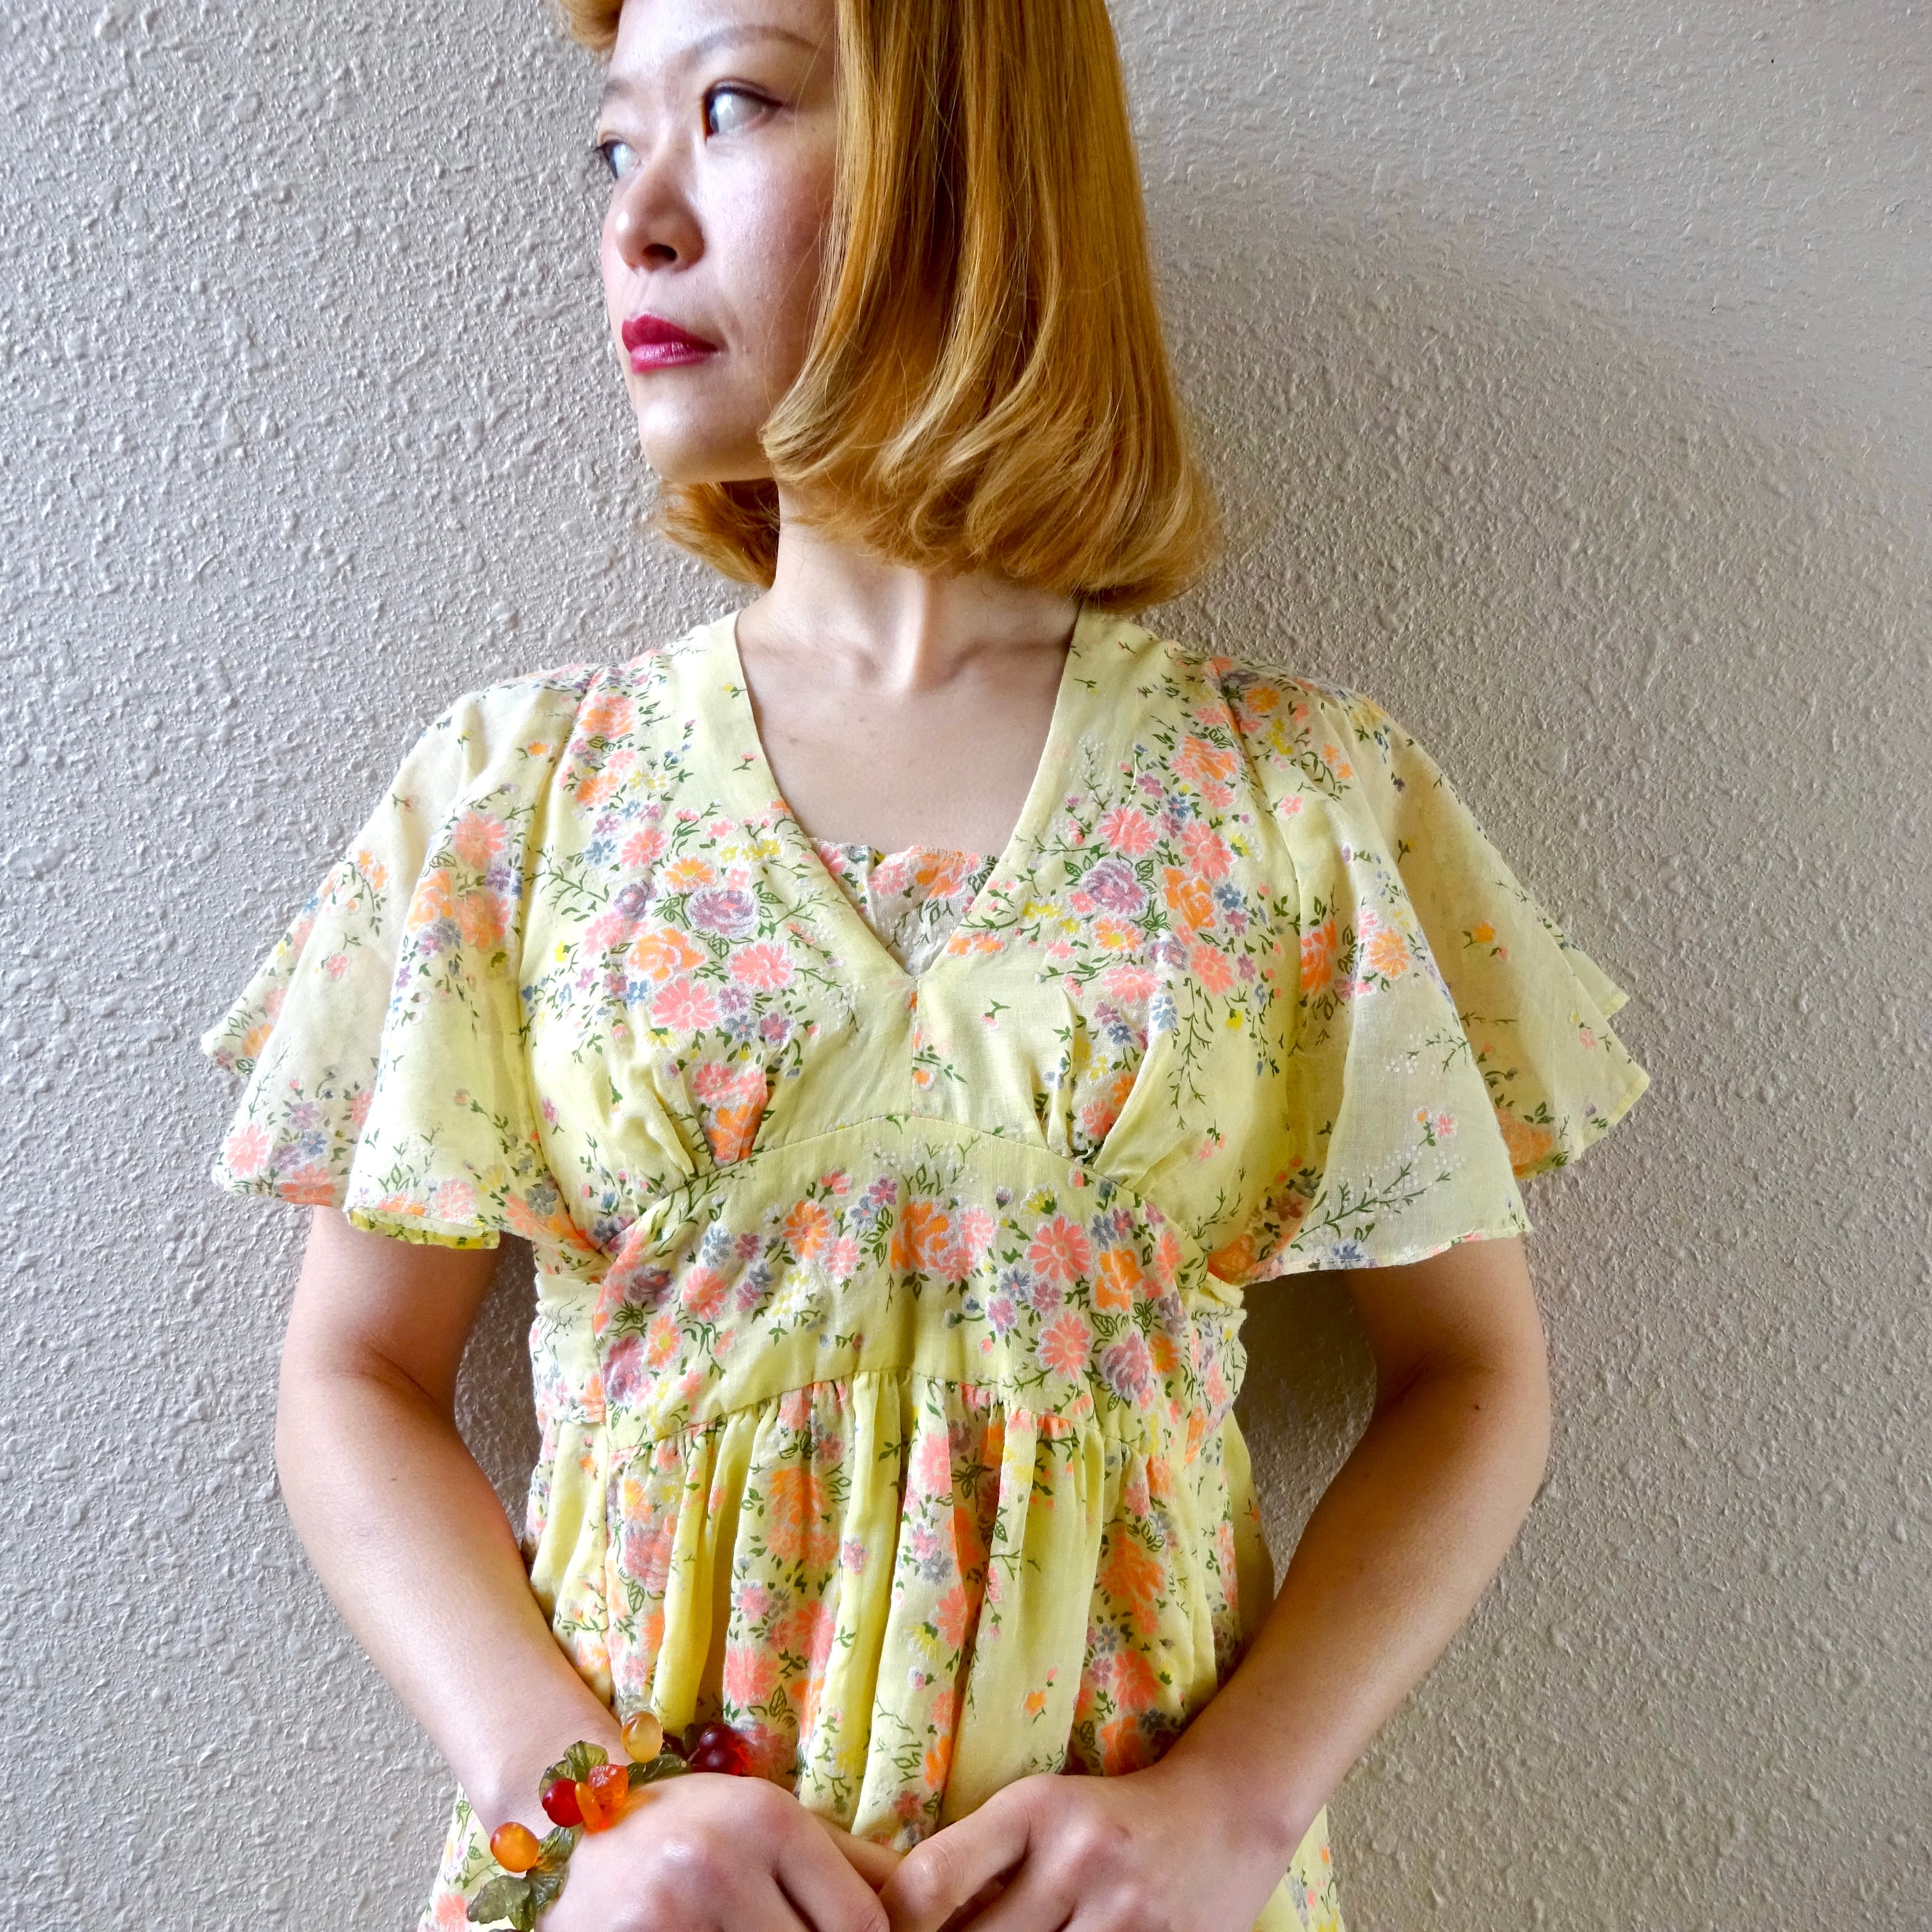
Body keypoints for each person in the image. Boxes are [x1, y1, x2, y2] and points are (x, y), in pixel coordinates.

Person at [198, 0, 1651, 1926]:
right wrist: (578, 1806)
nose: (636, 217)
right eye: (614, 142)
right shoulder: (527, 797)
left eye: (731, 109)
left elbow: (1472, 1377)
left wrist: (1235, 1807)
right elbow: (354, 1374)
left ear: (972, 164)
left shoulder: (1288, 803)